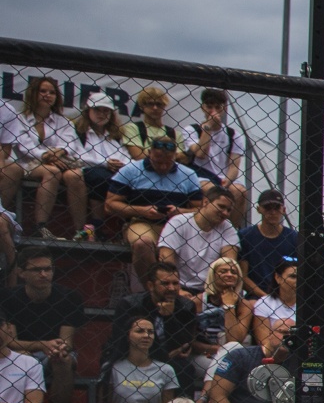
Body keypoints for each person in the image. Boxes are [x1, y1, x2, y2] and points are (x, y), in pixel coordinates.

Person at [107, 132, 203, 283]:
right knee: (142, 243)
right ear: (149, 153)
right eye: (158, 162)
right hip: (142, 221)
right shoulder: (130, 170)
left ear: (175, 156)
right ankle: (154, 287)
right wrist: (141, 210)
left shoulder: (188, 175)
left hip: (177, 225)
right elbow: (110, 204)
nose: (163, 166)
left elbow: (200, 209)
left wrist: (180, 212)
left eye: (168, 162)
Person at [2, 248, 84, 403]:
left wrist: (58, 349)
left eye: (48, 269)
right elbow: (10, 341)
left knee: (64, 359)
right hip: (18, 351)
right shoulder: (8, 297)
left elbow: (66, 341)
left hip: (53, 351)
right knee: (23, 358)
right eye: (36, 270)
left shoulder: (70, 297)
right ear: (21, 273)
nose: (43, 274)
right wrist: (42, 345)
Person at [10, 75, 89, 235]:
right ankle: (40, 227)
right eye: (43, 91)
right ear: (33, 93)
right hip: (28, 163)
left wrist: (59, 153)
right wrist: (48, 156)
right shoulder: (20, 119)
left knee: (76, 175)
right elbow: (26, 147)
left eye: (52, 92)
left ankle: (80, 230)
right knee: (51, 172)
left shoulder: (63, 121)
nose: (48, 95)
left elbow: (69, 144)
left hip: (59, 161)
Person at [158, 184, 240, 295]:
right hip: (178, 286)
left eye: (229, 210)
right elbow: (166, 261)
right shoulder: (178, 222)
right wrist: (178, 291)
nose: (225, 213)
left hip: (212, 289)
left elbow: (229, 263)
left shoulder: (227, 227)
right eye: (221, 206)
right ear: (205, 202)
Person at [103, 313, 178, 403]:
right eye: (140, 331)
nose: (146, 335)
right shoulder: (113, 368)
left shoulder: (166, 370)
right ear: (127, 335)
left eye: (151, 332)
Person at [73, 88, 131, 222]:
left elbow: (125, 155)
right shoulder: (79, 132)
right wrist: (105, 163)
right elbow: (77, 156)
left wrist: (122, 165)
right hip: (89, 169)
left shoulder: (115, 135)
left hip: (115, 170)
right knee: (101, 179)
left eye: (106, 111)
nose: (101, 114)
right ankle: (97, 223)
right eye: (97, 110)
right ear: (88, 111)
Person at [184, 88, 245, 195]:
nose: (213, 111)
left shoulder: (234, 135)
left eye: (218, 107)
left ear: (224, 109)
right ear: (203, 108)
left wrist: (227, 181)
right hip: (200, 175)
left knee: (240, 191)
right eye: (209, 107)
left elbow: (234, 166)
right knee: (210, 189)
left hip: (223, 176)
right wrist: (208, 127)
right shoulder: (191, 130)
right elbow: (200, 153)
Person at [252, 259, 298, 348]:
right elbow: (264, 342)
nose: (298, 280)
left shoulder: (310, 305)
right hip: (274, 351)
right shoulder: (264, 303)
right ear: (278, 278)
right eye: (293, 276)